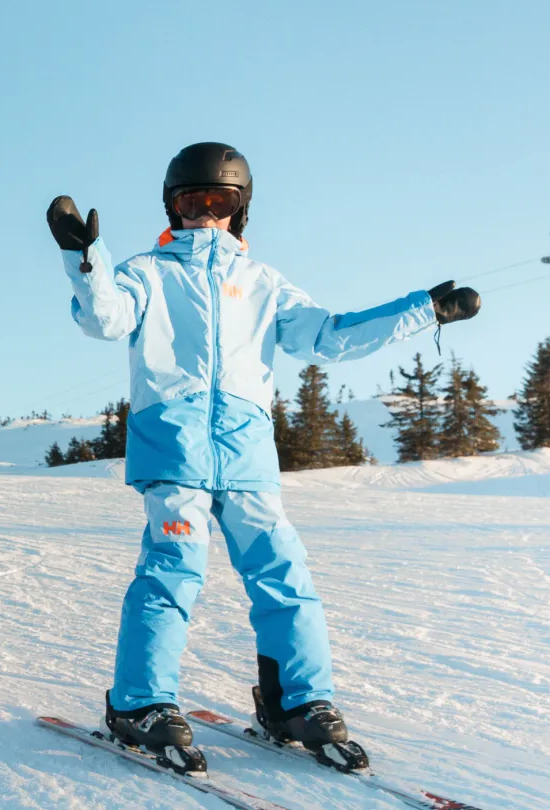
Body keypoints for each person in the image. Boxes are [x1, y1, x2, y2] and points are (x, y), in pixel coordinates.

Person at [47, 143, 481, 765]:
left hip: (247, 453)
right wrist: (85, 258)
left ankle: (296, 705)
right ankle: (140, 703)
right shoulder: (146, 272)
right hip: (175, 449)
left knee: (285, 577)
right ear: (173, 205)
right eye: (191, 201)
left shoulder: (263, 282)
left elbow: (329, 335)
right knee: (173, 570)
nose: (204, 214)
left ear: (239, 210)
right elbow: (105, 319)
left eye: (218, 201)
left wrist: (420, 312)